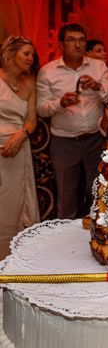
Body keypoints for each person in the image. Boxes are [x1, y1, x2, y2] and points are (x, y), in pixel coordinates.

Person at [37, 24, 108, 219]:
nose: (78, 44)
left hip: (95, 140)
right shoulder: (48, 71)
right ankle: (64, 243)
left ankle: (96, 236)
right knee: (67, 195)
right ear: (61, 44)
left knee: (97, 192)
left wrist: (97, 86)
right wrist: (60, 103)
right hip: (64, 142)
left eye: (81, 40)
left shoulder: (98, 67)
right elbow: (41, 108)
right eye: (72, 40)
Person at [0, 36, 40, 259]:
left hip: (18, 150)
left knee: (16, 207)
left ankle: (14, 258)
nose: (30, 58)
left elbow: (32, 120)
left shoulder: (30, 81)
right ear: (9, 53)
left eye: (32, 54)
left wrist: (20, 135)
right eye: (26, 53)